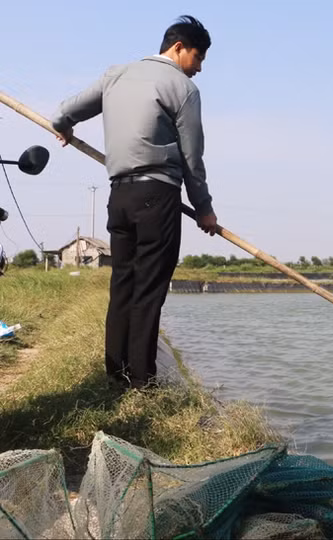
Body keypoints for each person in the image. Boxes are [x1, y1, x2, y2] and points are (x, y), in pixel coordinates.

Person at [51, 15, 218, 389]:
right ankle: (142, 383)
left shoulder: (116, 74)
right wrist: (204, 209)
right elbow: (192, 158)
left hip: (120, 195)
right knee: (148, 291)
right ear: (178, 48)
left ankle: (117, 376)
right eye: (198, 57)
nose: (200, 68)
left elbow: (63, 112)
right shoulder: (183, 88)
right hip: (157, 195)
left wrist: (64, 126)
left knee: (123, 285)